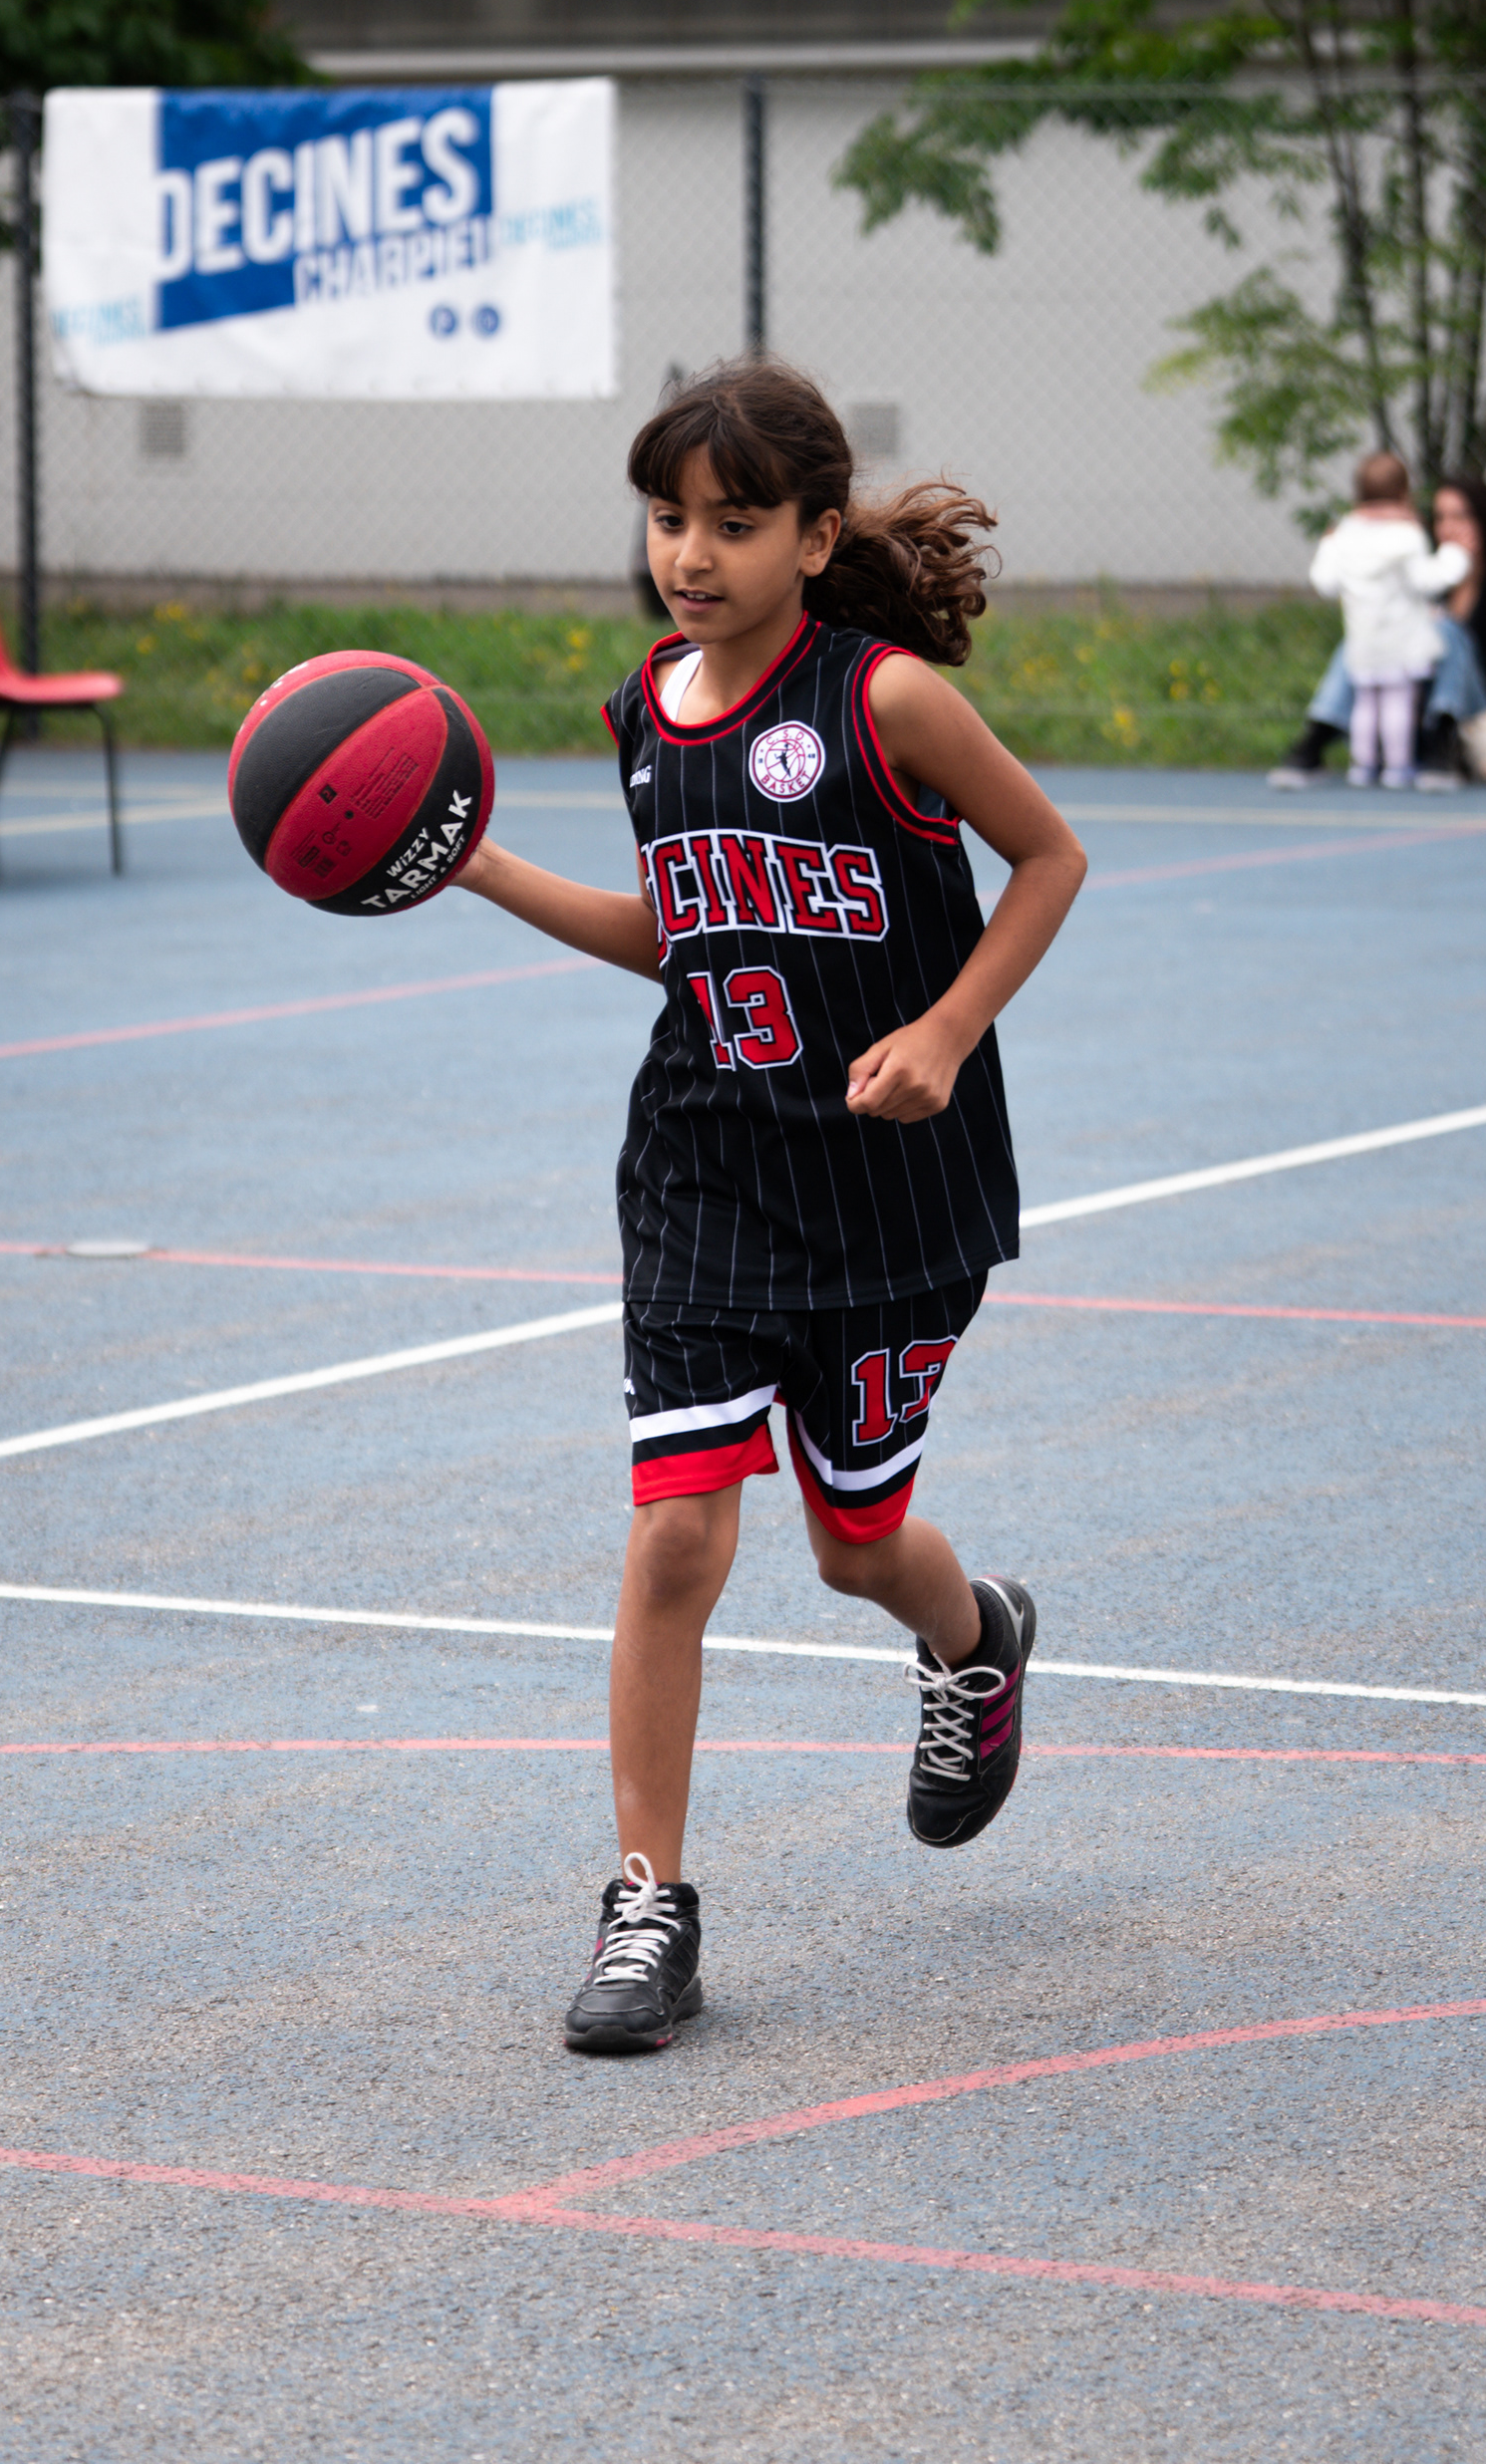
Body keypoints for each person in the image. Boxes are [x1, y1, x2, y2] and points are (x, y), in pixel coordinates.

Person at [451, 355, 1087, 2052]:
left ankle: (975, 1638)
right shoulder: (644, 716)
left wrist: (946, 1031)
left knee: (856, 1543)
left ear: (814, 538)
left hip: (893, 1194)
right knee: (677, 1537)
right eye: (669, 519)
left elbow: (1051, 859)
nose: (690, 553)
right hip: (705, 1171)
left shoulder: (885, 704)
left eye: (734, 523)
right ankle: (646, 1905)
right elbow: (683, 937)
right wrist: (489, 868)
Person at [1270, 470, 1486, 790]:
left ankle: (1442, 737)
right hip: (1407, 697)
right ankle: (1318, 734)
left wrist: (1445, 641)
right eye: (1441, 517)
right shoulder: (1425, 574)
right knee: (1366, 637)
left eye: (1460, 517)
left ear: (1485, 522)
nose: (1449, 528)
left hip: (1476, 706)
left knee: (1446, 630)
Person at [1298, 452, 1469, 788]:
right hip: (1402, 644)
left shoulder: (1345, 536)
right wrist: (1455, 555)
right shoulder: (1407, 535)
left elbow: (1325, 582)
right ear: (1404, 493)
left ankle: (1362, 766)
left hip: (1362, 642)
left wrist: (1327, 546)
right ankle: (1397, 767)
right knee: (1397, 704)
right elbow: (1427, 581)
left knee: (1365, 704)